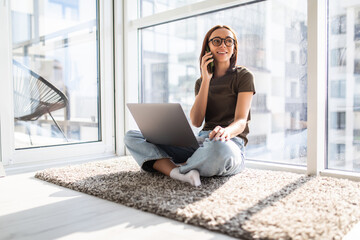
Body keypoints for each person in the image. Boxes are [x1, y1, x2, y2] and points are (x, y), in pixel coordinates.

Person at [124, 25, 255, 187]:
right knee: (132, 136)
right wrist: (206, 80)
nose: (223, 45)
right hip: (201, 142)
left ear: (234, 48)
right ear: (208, 47)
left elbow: (241, 121)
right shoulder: (201, 82)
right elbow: (196, 121)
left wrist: (225, 132)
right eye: (217, 41)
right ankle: (179, 173)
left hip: (229, 143)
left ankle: (176, 166)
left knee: (218, 149)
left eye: (229, 41)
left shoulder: (243, 76)